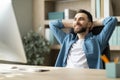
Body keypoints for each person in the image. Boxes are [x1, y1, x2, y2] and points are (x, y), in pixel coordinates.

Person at [49, 9, 117, 69]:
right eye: (75, 19)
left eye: (81, 19)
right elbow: (52, 24)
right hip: (65, 75)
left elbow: (112, 20)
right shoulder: (67, 40)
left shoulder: (97, 41)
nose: (77, 21)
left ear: (89, 24)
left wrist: (94, 23)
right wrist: (74, 24)